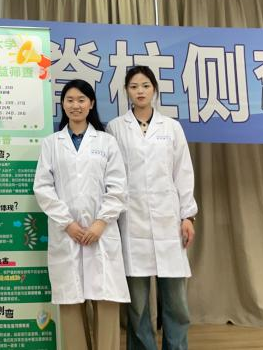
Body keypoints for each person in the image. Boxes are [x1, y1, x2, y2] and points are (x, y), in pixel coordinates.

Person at [106, 66, 198, 350]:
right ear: (126, 91)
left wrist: (187, 216)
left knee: (177, 302)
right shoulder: (115, 128)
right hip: (131, 221)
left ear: (154, 90)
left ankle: (176, 346)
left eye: (145, 85)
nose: (140, 91)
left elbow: (183, 172)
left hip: (169, 220)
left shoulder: (171, 127)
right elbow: (112, 175)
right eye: (134, 86)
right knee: (138, 305)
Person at [33, 79, 129, 350]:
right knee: (71, 304)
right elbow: (43, 187)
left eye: (81, 100)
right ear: (62, 105)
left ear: (91, 104)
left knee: (106, 301)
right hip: (67, 235)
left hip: (102, 234)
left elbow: (118, 186)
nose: (75, 105)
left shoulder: (106, 142)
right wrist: (68, 223)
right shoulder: (52, 143)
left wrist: (101, 222)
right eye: (70, 100)